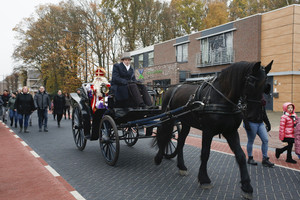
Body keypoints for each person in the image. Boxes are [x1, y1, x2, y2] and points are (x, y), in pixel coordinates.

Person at [243, 96, 275, 167]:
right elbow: (243, 111)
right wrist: (246, 123)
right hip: (251, 122)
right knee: (251, 140)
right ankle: (250, 158)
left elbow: (263, 112)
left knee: (265, 140)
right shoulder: (249, 98)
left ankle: (265, 159)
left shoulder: (261, 100)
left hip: (260, 123)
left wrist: (268, 123)